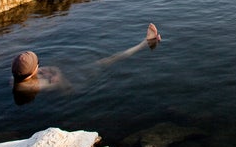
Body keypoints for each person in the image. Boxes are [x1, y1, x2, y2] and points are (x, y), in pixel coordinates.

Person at [11, 23, 161, 104]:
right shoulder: (37, 85)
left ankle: (146, 43)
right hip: (76, 87)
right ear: (31, 71)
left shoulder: (15, 78)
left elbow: (47, 71)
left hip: (67, 76)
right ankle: (144, 44)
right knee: (105, 62)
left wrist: (51, 72)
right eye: (38, 64)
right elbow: (62, 82)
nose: (40, 66)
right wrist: (54, 72)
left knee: (101, 61)